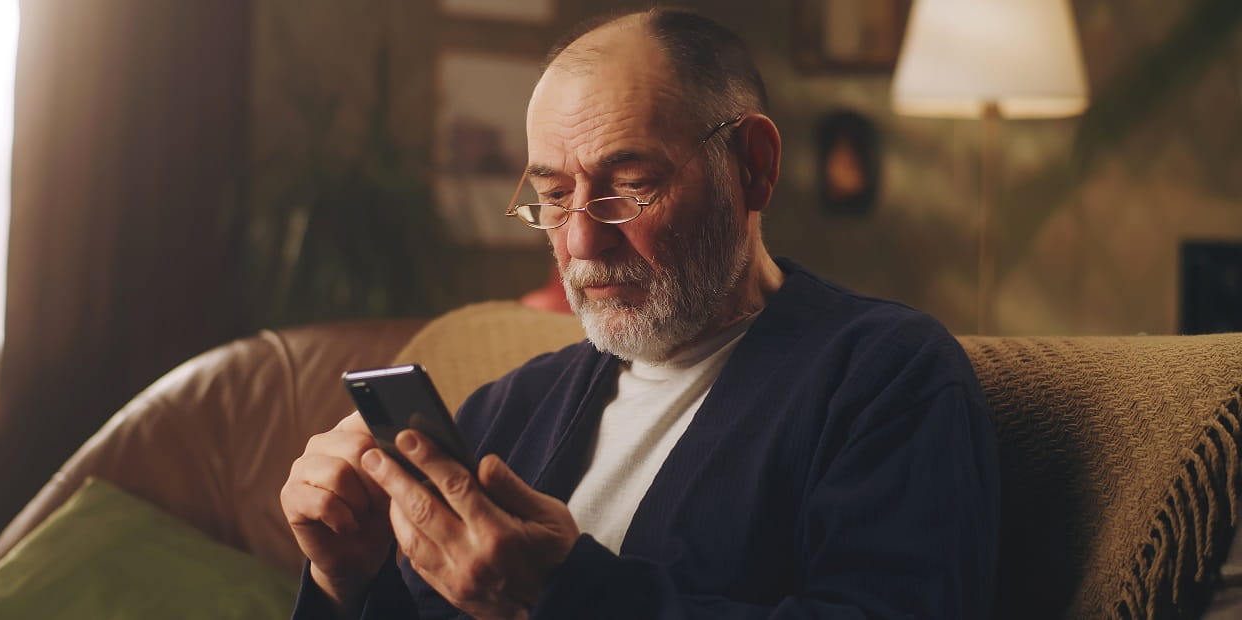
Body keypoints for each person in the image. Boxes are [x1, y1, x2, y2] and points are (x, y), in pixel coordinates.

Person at [282, 8, 1000, 619]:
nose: (582, 239)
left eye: (630, 185)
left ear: (754, 165)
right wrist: (346, 580)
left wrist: (562, 594)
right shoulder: (509, 407)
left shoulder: (885, 376)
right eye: (555, 195)